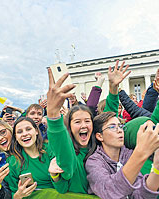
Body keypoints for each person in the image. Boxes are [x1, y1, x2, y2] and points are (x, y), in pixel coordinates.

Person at [46, 60, 130, 194]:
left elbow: (109, 118)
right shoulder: (68, 152)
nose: (84, 125)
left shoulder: (99, 146)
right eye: (77, 122)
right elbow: (63, 184)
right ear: (69, 126)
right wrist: (52, 114)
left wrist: (113, 88)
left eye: (87, 121)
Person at [86, 112, 159, 199]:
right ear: (99, 136)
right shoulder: (94, 162)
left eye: (120, 126)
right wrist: (141, 151)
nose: (119, 131)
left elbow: (141, 196)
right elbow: (110, 191)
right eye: (112, 127)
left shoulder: (129, 155)